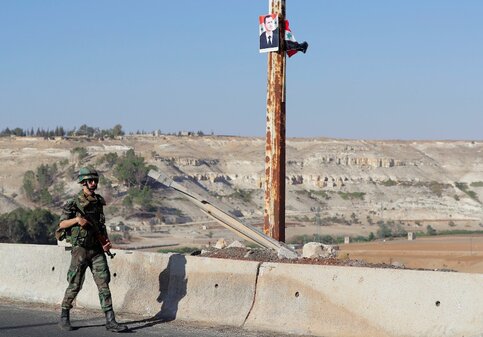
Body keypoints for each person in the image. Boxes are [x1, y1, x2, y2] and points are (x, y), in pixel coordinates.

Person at [57, 167, 128, 332]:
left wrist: (105, 241)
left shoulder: (98, 202)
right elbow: (61, 224)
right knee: (75, 284)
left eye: (95, 180)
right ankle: (64, 316)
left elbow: (100, 226)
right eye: (90, 181)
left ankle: (110, 320)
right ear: (83, 182)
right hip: (80, 249)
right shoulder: (73, 203)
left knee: (104, 284)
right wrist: (76, 220)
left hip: (96, 249)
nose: (94, 183)